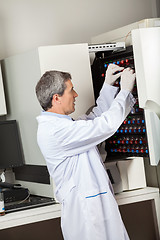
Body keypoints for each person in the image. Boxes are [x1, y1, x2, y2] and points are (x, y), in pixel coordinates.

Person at [35, 64, 136, 240]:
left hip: (95, 205)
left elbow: (94, 118)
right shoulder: (56, 131)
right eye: (71, 91)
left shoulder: (65, 125)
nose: (76, 95)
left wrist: (109, 86)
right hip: (85, 214)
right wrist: (125, 92)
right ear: (57, 98)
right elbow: (104, 125)